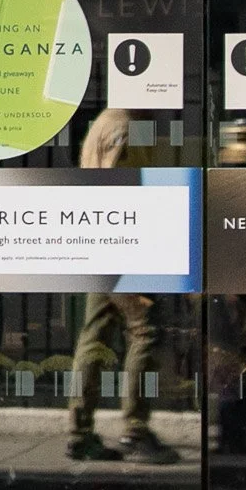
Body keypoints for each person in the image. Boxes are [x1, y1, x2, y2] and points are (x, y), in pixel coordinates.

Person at [66, 108, 176, 464]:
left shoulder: (108, 121)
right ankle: (136, 431)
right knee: (146, 331)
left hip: (102, 242)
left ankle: (80, 433)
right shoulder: (126, 127)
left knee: (95, 335)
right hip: (122, 244)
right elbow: (119, 186)